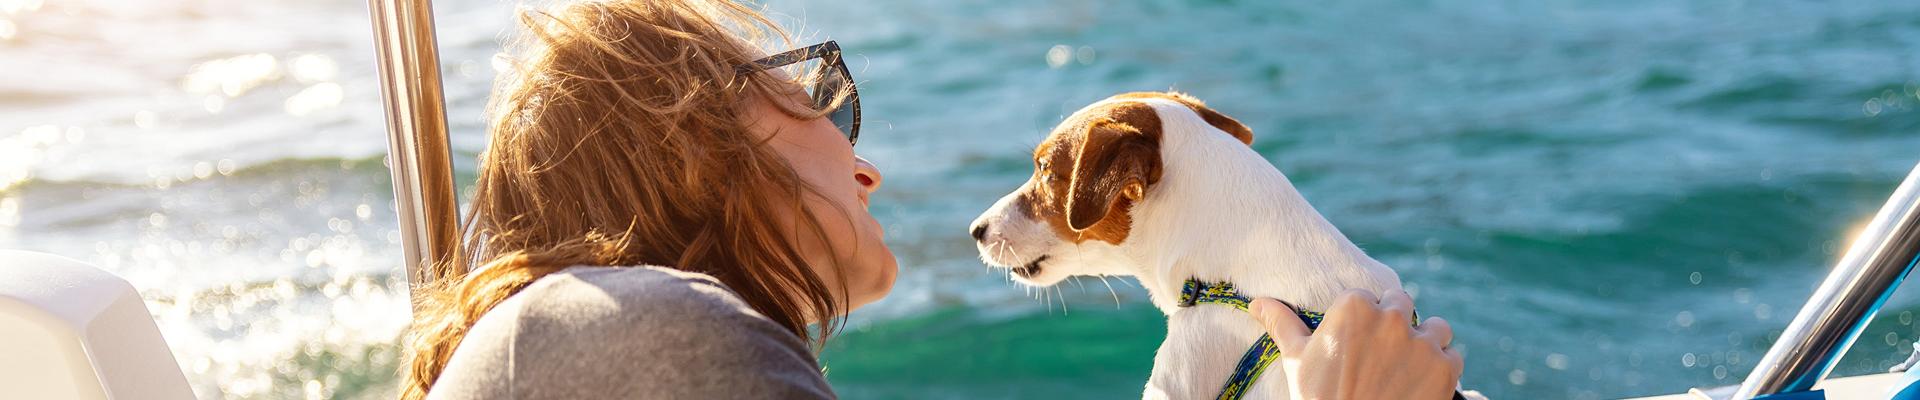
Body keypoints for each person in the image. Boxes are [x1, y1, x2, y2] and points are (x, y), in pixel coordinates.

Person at [397, 0, 1464, 399]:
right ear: (695, 149)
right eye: (820, 98)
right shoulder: (640, 340)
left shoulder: (594, 345)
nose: (865, 167)